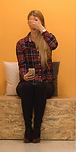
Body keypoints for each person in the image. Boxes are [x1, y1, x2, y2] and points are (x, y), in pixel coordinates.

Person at [16, 10, 58, 143]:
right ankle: (28, 128)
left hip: (45, 83)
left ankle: (37, 128)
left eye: (36, 20)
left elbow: (54, 45)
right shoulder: (21, 43)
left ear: (40, 22)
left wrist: (42, 29)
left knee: (39, 86)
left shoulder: (47, 40)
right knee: (28, 86)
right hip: (28, 83)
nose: (33, 22)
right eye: (31, 19)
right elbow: (21, 64)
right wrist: (24, 75)